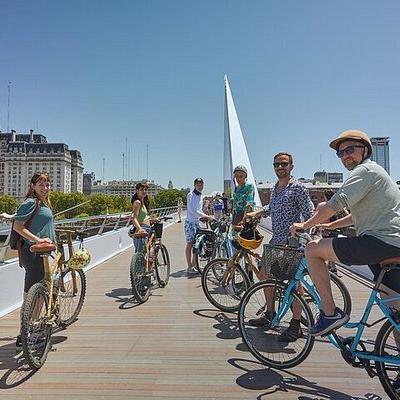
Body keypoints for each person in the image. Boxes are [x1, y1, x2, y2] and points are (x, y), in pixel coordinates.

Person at [291, 129, 400, 337]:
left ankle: (330, 313)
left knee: (312, 250)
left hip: (378, 243)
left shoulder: (364, 172)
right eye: (340, 153)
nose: (345, 155)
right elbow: (356, 216)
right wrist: (331, 226)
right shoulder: (376, 173)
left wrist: (305, 225)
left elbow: (336, 203)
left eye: (350, 149)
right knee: (395, 314)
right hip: (391, 245)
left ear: (365, 150)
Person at [246, 152, 314, 341]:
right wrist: (257, 212)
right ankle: (269, 314)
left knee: (293, 284)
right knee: (265, 275)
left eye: (284, 164)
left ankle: (296, 324)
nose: (280, 167)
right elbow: (271, 208)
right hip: (276, 241)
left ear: (291, 166)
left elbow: (310, 213)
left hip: (292, 243)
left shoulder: (298, 188)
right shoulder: (275, 188)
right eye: (276, 164)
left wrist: (304, 228)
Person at [13, 171, 56, 349]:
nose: (45, 188)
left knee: (36, 293)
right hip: (34, 253)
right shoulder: (31, 202)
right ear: (32, 186)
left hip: (42, 252)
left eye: (47, 184)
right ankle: (26, 334)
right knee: (34, 295)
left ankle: (28, 332)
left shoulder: (42, 203)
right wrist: (38, 240)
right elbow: (17, 226)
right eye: (41, 184)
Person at [185, 178, 213, 274]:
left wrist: (204, 215)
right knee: (190, 243)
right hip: (190, 223)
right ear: (194, 185)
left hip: (197, 222)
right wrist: (205, 216)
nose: (200, 186)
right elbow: (192, 210)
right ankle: (189, 266)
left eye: (201, 184)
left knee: (198, 243)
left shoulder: (201, 196)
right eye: (198, 184)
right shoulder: (190, 195)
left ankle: (195, 263)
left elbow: (200, 210)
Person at [131, 182, 152, 253]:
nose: (144, 191)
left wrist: (152, 219)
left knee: (145, 252)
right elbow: (134, 218)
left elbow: (143, 216)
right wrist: (140, 229)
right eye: (142, 189)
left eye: (146, 189)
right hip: (143, 229)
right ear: (137, 191)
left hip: (147, 228)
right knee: (141, 255)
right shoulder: (138, 202)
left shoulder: (143, 202)